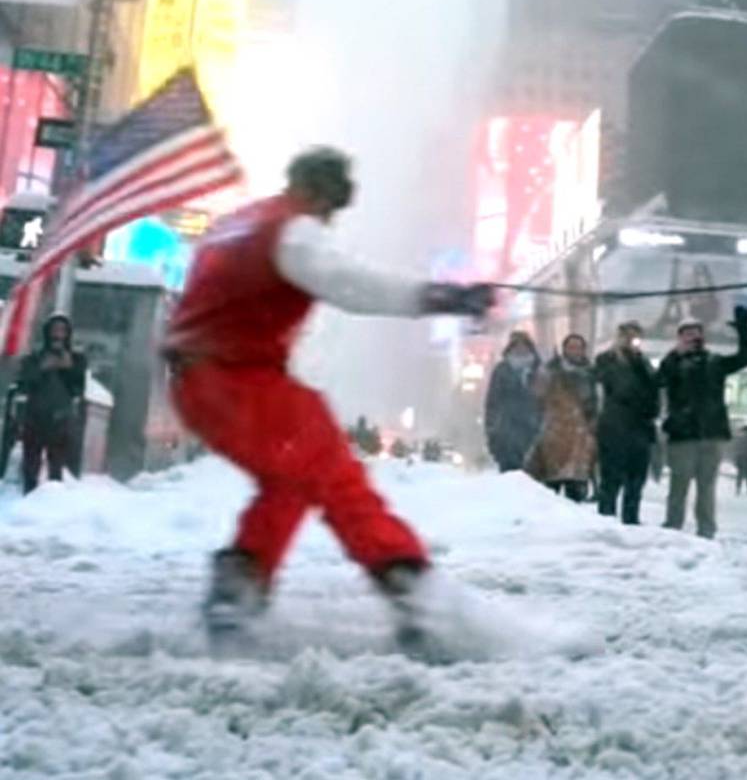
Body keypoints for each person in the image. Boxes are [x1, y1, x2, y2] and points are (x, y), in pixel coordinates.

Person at [163, 148, 494, 650]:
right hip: (233, 378)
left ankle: (237, 595)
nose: (330, 220)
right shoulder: (295, 230)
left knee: (291, 477)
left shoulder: (240, 222)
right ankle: (413, 592)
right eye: (332, 208)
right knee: (331, 469)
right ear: (320, 192)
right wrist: (442, 297)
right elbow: (352, 285)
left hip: (201, 379)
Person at [660, 308, 747, 539]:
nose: (692, 337)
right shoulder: (673, 363)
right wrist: (675, 356)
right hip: (682, 435)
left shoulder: (715, 362)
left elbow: (744, 358)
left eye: (696, 333)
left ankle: (706, 528)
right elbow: (658, 381)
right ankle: (673, 527)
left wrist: (743, 330)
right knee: (679, 484)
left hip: (711, 434)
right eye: (687, 333)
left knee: (707, 486)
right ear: (680, 337)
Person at [594, 321, 659, 524]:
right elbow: (618, 388)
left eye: (635, 336)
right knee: (611, 481)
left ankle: (631, 520)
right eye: (626, 336)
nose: (631, 341)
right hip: (615, 429)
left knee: (636, 481)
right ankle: (607, 521)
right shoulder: (607, 360)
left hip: (640, 429)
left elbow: (653, 392)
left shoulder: (643, 363)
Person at [14, 314, 87, 494]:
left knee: (57, 467)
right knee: (30, 465)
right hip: (35, 417)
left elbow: (78, 389)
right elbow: (23, 384)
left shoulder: (76, 359)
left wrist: (68, 368)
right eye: (55, 330)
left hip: (61, 419)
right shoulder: (34, 358)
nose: (58, 335)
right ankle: (28, 499)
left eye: (62, 330)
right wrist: (42, 368)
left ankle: (53, 504)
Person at [526, 334, 598, 503]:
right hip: (554, 436)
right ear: (564, 349)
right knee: (549, 493)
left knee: (576, 496)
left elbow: (594, 404)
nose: (575, 351)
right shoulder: (550, 371)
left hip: (579, 440)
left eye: (579, 347)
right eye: (571, 347)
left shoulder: (590, 373)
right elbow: (537, 397)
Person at [484, 331, 541, 473]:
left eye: (524, 347)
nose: (520, 350)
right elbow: (492, 403)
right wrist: (492, 431)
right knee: (511, 477)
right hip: (507, 433)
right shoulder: (502, 371)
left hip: (534, 432)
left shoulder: (539, 371)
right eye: (516, 347)